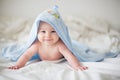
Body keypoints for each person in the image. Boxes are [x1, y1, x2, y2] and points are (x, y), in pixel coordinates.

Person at [8, 21, 88, 70]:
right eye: (43, 31)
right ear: (36, 32)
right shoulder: (37, 44)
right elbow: (26, 55)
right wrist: (18, 65)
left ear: (60, 33)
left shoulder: (60, 45)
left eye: (53, 31)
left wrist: (77, 66)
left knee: (75, 47)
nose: (48, 36)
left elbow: (69, 56)